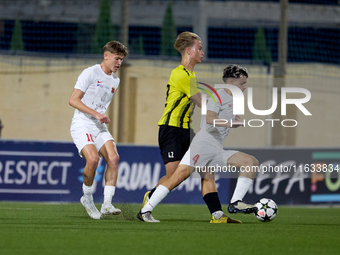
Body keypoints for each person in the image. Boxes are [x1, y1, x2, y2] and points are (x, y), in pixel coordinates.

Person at [137, 32, 240, 223]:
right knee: (175, 176)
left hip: (187, 131)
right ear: (188, 50)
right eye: (199, 48)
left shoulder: (191, 75)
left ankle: (217, 215)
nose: (202, 52)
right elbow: (203, 104)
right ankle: (151, 198)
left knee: (207, 170)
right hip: (171, 130)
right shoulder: (181, 74)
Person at [69, 41, 128, 220]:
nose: (119, 63)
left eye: (122, 60)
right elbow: (73, 100)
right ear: (106, 56)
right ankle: (87, 198)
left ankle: (107, 204)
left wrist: (99, 116)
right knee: (93, 159)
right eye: (117, 59)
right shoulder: (90, 72)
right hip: (82, 123)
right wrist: (96, 114)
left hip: (98, 125)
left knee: (114, 157)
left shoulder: (115, 81)